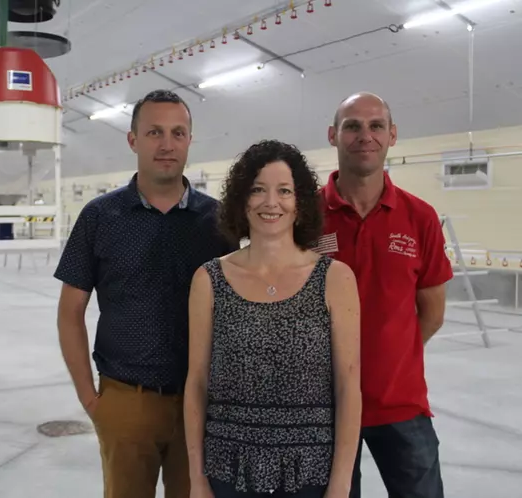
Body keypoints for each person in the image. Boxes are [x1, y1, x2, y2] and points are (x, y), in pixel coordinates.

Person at [54, 89, 238, 498]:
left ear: (190, 140)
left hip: (203, 401)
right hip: (127, 400)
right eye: (154, 132)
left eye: (178, 132)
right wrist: (91, 399)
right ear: (133, 139)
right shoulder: (101, 216)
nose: (167, 144)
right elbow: (70, 312)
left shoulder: (218, 220)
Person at [184, 139, 362, 498]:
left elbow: (348, 388)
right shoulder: (209, 279)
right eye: (258, 190)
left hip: (310, 472)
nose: (271, 202)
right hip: (229, 469)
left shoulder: (335, 278)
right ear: (241, 199)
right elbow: (197, 384)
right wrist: (198, 480)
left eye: (284, 191)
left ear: (300, 203)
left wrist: (341, 484)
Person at [320, 92, 454, 498]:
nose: (366, 135)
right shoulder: (304, 217)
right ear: (333, 135)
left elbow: (431, 312)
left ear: (392, 135)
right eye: (353, 126)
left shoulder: (420, 217)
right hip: (322, 406)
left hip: (401, 404)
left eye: (376, 125)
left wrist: (390, 355)